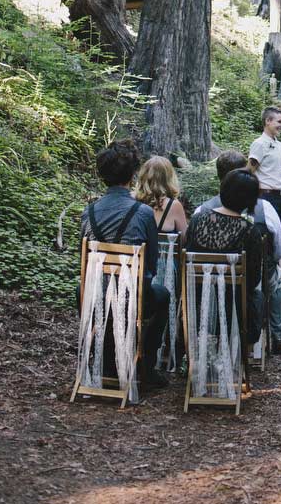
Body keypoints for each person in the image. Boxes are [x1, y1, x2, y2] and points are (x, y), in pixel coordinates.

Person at [79, 139, 170, 388]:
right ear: (132, 175)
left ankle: (102, 359)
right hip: (132, 296)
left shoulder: (89, 212)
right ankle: (145, 366)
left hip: (92, 294)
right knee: (162, 296)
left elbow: (84, 257)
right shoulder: (142, 213)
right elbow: (151, 261)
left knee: (92, 291)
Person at [197, 150, 281, 354]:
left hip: (204, 295)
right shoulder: (262, 212)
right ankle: (276, 334)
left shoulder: (200, 213)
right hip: (245, 297)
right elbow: (280, 250)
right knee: (275, 277)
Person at [186, 168, 264, 344]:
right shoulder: (251, 232)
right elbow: (253, 279)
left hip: (197, 304)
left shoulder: (197, 221)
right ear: (251, 200)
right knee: (258, 296)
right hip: (233, 310)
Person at [249, 106, 281, 227]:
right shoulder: (259, 144)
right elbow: (249, 171)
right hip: (265, 197)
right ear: (268, 121)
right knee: (265, 236)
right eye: (279, 122)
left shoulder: (279, 145)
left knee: (279, 234)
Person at [134, 155, 188, 235]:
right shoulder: (174, 206)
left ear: (143, 175)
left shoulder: (131, 199)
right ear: (169, 178)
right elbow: (184, 238)